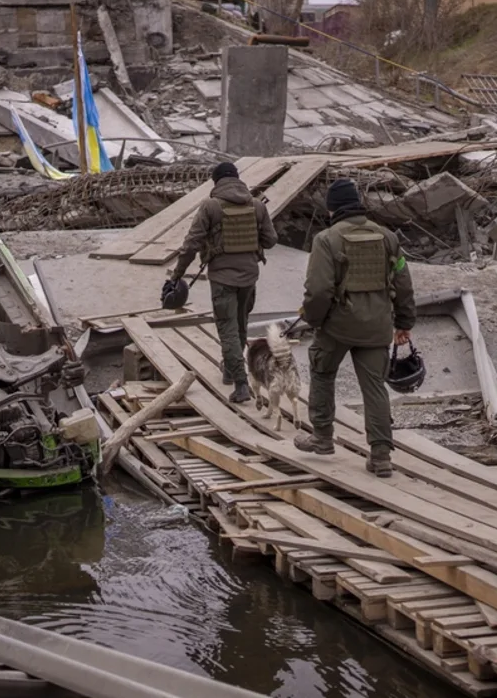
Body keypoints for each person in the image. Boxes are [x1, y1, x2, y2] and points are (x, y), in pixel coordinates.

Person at [294, 178, 414, 478]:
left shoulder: (326, 239)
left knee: (322, 373)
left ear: (333, 208)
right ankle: (381, 456)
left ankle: (322, 438)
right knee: (374, 388)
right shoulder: (388, 238)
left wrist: (314, 320)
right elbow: (403, 281)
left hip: (337, 327)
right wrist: (404, 322)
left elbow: (318, 290)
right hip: (377, 327)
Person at [168, 161, 276, 403]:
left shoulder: (210, 206)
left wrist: (177, 274)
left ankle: (241, 384)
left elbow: (191, 244)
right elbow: (271, 240)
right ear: (237, 179)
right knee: (240, 324)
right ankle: (230, 369)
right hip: (249, 277)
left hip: (222, 278)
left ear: (216, 182)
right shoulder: (257, 206)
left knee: (227, 328)